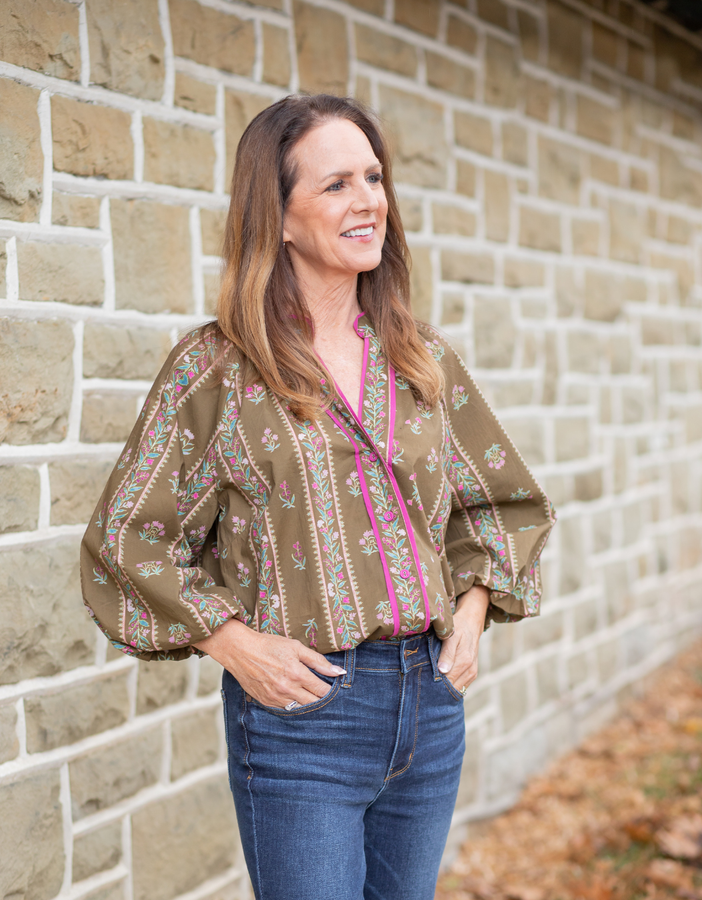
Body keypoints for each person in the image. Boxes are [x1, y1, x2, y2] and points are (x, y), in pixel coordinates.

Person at [81, 94, 555, 900]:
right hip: (304, 720)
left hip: (430, 708)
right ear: (281, 216)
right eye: (336, 184)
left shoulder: (420, 357)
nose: (369, 199)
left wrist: (470, 619)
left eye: (373, 177)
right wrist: (234, 645)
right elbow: (129, 539)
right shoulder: (219, 369)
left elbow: (500, 504)